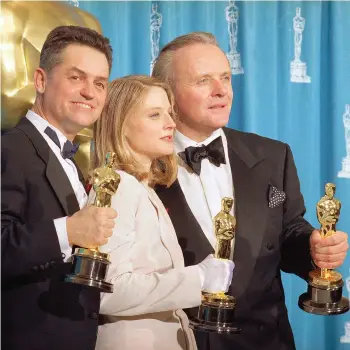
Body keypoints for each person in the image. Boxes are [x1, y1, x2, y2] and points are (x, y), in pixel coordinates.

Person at [152, 32, 349, 350]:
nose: (221, 91)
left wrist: (313, 248)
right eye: (203, 81)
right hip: (177, 341)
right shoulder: (139, 166)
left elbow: (288, 231)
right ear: (166, 93)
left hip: (264, 341)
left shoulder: (272, 156)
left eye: (225, 78)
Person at [90, 75, 235, 350]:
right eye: (155, 115)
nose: (171, 123)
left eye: (169, 113)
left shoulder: (141, 188)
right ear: (121, 124)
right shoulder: (118, 187)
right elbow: (106, 291)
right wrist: (199, 278)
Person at [1, 26, 117, 350]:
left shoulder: (74, 162)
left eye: (99, 83)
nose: (89, 92)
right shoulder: (11, 149)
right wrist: (68, 231)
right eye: (76, 78)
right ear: (40, 80)